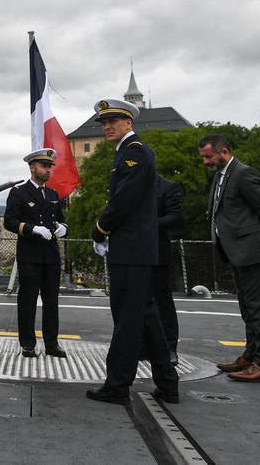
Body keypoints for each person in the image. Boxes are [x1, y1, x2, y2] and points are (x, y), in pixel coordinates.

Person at [86, 99, 178, 404]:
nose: (108, 126)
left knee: (127, 317)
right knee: (147, 315)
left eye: (114, 121)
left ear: (129, 122)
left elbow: (124, 200)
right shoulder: (127, 152)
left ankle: (117, 385)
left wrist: (100, 227)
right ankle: (167, 383)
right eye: (104, 122)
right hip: (134, 248)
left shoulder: (134, 152)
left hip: (130, 249)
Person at [199, 134, 260, 383]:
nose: (205, 162)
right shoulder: (221, 175)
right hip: (237, 251)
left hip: (253, 251)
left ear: (224, 151)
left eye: (209, 156)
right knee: (248, 309)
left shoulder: (243, 173)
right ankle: (251, 356)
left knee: (259, 309)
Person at [3, 148, 68, 358]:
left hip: (50, 255)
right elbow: (9, 221)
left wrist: (64, 228)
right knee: (28, 300)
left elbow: (60, 218)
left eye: (50, 167)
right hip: (30, 255)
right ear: (32, 168)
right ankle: (28, 344)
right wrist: (32, 228)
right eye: (44, 166)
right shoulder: (19, 192)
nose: (48, 170)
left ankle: (52, 344)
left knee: (52, 301)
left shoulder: (52, 194)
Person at [155, 175, 184, 365]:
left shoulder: (167, 187)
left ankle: (170, 347)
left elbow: (176, 216)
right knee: (136, 301)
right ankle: (142, 346)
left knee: (162, 300)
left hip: (158, 250)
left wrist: (148, 225)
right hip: (133, 251)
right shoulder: (130, 185)